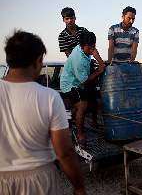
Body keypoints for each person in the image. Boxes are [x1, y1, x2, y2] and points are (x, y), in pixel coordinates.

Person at [0, 30, 85, 195]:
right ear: (38, 61)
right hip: (39, 181)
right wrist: (79, 187)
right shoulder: (50, 97)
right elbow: (65, 152)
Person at [58, 7, 104, 127]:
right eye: (66, 19)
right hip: (77, 67)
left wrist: (100, 63)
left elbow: (92, 47)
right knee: (83, 101)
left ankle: (94, 122)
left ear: (75, 18)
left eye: (71, 18)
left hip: (87, 64)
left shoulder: (83, 31)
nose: (69, 21)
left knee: (93, 95)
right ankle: (76, 125)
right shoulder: (62, 36)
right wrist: (80, 66)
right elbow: (69, 56)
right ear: (63, 20)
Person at [60, 31, 105, 146]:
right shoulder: (78, 59)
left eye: (93, 47)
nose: (92, 50)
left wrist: (100, 63)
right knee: (82, 104)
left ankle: (94, 123)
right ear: (81, 46)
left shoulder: (86, 46)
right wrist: (99, 71)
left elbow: (94, 51)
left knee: (95, 98)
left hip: (80, 82)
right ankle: (80, 134)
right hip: (70, 85)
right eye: (89, 48)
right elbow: (84, 80)